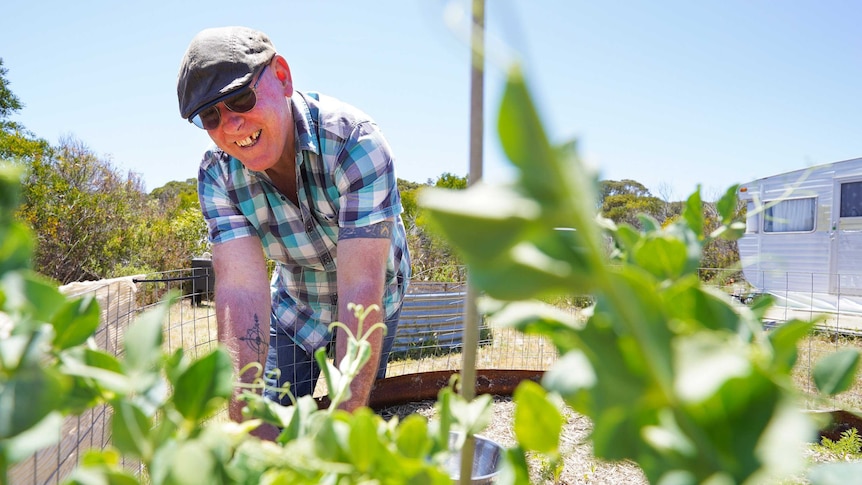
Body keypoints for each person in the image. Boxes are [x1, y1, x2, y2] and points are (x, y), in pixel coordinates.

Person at [176, 26, 411, 435]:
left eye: (240, 99)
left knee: (355, 412)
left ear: (282, 76)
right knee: (265, 422)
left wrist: (346, 414)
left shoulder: (355, 141)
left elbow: (360, 289)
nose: (231, 125)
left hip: (372, 296)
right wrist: (244, 409)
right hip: (295, 305)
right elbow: (241, 287)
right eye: (209, 116)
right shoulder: (218, 174)